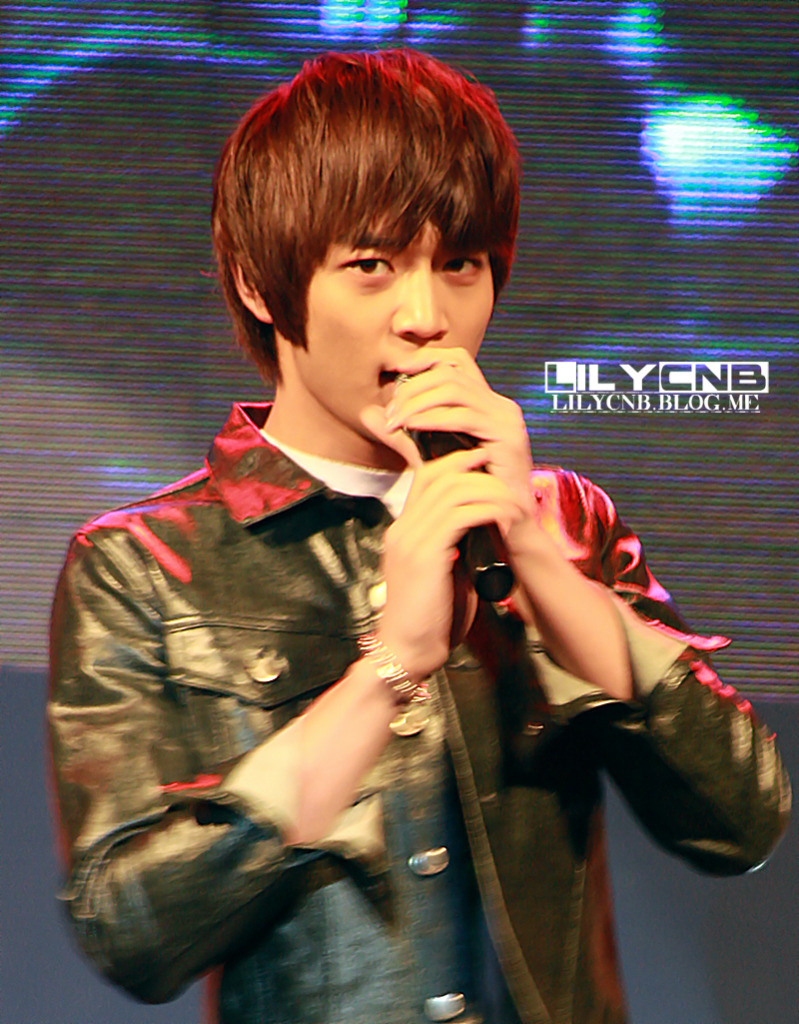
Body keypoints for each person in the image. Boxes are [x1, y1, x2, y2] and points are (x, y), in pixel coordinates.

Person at [48, 49, 790, 1024]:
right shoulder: (142, 563)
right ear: (261, 285)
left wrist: (539, 561)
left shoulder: (568, 520)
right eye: (372, 266)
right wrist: (388, 668)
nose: (425, 317)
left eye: (459, 265)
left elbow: (740, 823)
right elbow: (131, 932)